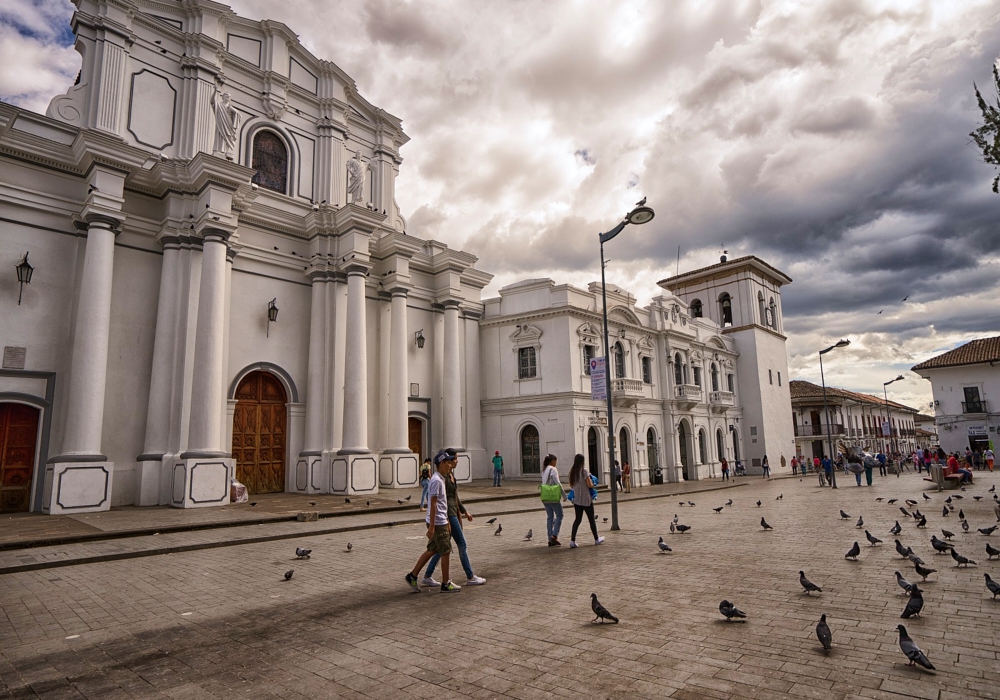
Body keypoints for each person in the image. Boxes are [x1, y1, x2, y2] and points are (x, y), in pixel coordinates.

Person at [422, 455, 486, 588]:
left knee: (441, 548)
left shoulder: (450, 476)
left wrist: (463, 511)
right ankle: (469, 576)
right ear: (446, 462)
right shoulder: (441, 478)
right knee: (460, 544)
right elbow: (438, 502)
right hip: (447, 515)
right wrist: (443, 521)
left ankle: (427, 575)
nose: (456, 461)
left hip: (451, 513)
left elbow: (455, 497)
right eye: (455, 459)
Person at [406, 450, 461, 593]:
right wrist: (432, 526)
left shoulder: (440, 479)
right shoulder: (436, 480)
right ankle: (445, 583)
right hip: (437, 522)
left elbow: (442, 504)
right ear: (442, 463)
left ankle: (412, 575)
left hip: (440, 520)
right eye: (448, 462)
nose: (450, 465)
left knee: (432, 549)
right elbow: (434, 504)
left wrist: (447, 520)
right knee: (446, 551)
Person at [569, 454, 603, 547]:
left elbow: (571, 485)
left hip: (576, 500)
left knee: (577, 520)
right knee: (591, 519)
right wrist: (593, 483)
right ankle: (596, 539)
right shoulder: (584, 472)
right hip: (586, 499)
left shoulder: (572, 472)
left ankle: (572, 540)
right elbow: (589, 484)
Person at [539, 454, 566, 546]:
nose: (556, 463)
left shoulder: (544, 470)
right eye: (555, 461)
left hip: (545, 496)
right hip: (552, 496)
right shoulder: (553, 469)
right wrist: (564, 495)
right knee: (560, 515)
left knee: (550, 517)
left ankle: (549, 537)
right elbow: (557, 483)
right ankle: (554, 535)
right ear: (552, 461)